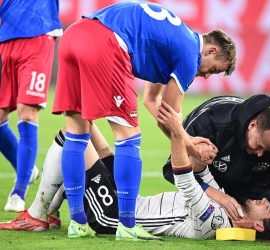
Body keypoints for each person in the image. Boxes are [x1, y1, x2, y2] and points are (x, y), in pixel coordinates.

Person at [51, 0, 235, 239]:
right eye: (214, 70)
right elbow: (169, 115)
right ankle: (127, 225)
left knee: (77, 132)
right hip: (105, 41)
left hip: (73, 35)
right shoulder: (190, 56)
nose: (208, 76)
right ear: (211, 51)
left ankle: (77, 223)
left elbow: (152, 101)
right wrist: (192, 146)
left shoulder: (177, 40)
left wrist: (187, 140)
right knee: (129, 137)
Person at [0, 103, 270, 241]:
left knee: (72, 133)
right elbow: (202, 172)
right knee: (84, 119)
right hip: (126, 198)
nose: (267, 201)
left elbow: (185, 179)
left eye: (269, 209)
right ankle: (50, 211)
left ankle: (37, 214)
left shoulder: (215, 224)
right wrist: (201, 152)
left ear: (258, 226)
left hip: (112, 216)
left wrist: (178, 133)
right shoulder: (230, 204)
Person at [162, 94, 270, 212]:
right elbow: (171, 170)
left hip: (241, 186)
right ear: (252, 125)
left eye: (268, 151)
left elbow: (265, 186)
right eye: (259, 145)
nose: (260, 154)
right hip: (203, 184)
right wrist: (218, 196)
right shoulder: (211, 121)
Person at [0, 0, 63, 212]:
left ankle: (19, 191)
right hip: (6, 37)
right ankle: (26, 168)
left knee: (27, 112)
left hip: (38, 31)